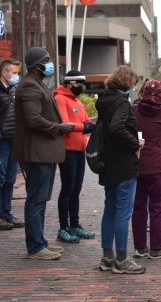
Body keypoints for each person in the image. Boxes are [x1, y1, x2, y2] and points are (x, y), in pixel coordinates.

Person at [12, 47, 74, 260]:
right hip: (36, 153)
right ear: (37, 64)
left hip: (44, 153)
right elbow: (33, 120)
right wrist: (60, 127)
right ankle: (36, 247)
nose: (50, 64)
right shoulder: (29, 85)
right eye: (47, 60)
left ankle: (40, 242)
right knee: (36, 200)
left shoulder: (37, 83)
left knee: (40, 199)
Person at [95, 66, 146, 274]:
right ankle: (122, 259)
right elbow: (117, 128)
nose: (134, 87)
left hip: (108, 161)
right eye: (133, 83)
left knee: (110, 209)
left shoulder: (104, 101)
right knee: (123, 212)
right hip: (123, 162)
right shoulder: (122, 103)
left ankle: (108, 257)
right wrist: (135, 143)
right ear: (127, 83)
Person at [132, 80, 161, 259]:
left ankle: (140, 247)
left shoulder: (133, 110)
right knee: (157, 206)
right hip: (156, 163)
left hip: (137, 162)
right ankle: (157, 248)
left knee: (138, 207)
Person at [54, 70, 96, 243]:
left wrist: (84, 126)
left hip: (80, 149)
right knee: (67, 189)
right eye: (79, 85)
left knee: (76, 189)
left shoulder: (77, 100)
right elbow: (66, 124)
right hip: (67, 150)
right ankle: (63, 227)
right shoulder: (60, 99)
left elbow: (89, 123)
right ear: (70, 84)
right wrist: (84, 127)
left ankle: (75, 225)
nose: (81, 88)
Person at [0, 60, 23, 231]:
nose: (16, 75)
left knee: (10, 179)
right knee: (0, 179)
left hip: (13, 140)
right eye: (14, 72)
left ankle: (7, 213)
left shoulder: (13, 90)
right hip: (1, 141)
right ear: (4, 73)